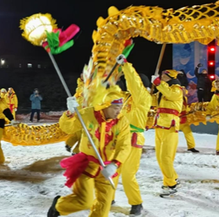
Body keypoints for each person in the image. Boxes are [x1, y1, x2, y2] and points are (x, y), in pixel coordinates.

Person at [47, 85, 131, 217]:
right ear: (106, 105)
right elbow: (67, 128)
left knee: (103, 206)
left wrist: (116, 163)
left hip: (107, 167)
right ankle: (59, 206)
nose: (119, 111)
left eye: (120, 107)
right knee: (84, 201)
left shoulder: (122, 121)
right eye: (115, 107)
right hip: (87, 164)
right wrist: (70, 114)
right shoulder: (88, 114)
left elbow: (125, 145)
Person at [111, 55, 151, 215]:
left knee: (127, 175)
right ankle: (109, 196)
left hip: (133, 139)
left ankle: (136, 203)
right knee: (111, 170)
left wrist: (126, 66)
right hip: (118, 138)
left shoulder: (144, 98)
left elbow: (134, 84)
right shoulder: (126, 99)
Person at [151, 69, 183, 196]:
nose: (162, 77)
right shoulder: (162, 90)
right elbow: (152, 102)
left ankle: (171, 184)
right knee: (160, 157)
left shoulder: (177, 89)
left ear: (170, 77)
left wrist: (159, 83)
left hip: (170, 126)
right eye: (161, 75)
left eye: (164, 75)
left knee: (166, 157)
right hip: (160, 124)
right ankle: (171, 178)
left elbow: (170, 94)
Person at [65, 75, 84, 155]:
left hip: (78, 115)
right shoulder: (84, 90)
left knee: (77, 134)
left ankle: (69, 144)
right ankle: (76, 151)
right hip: (82, 115)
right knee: (83, 136)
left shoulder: (78, 91)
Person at [179, 86, 199, 153]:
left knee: (188, 133)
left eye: (185, 91)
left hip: (184, 120)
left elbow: (185, 107)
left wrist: (189, 110)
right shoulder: (176, 98)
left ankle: (191, 147)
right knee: (170, 134)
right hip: (176, 120)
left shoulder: (184, 98)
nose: (185, 92)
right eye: (183, 91)